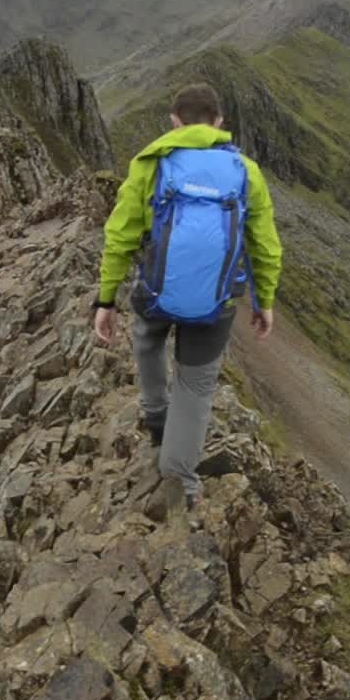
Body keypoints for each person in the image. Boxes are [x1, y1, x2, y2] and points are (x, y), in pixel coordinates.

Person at [91, 83, 282, 510]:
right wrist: (263, 300)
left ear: (174, 121)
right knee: (195, 386)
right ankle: (179, 480)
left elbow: (120, 235)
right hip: (216, 304)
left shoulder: (152, 165)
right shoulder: (245, 172)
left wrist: (105, 300)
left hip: (156, 289)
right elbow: (264, 244)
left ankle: (155, 411)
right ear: (219, 123)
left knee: (147, 337)